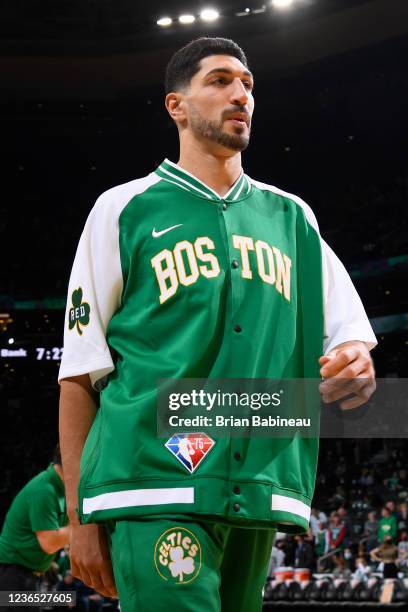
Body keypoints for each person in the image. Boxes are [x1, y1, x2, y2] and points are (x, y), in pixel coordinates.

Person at [58, 36, 377, 611]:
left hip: (255, 487)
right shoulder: (123, 209)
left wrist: (355, 360)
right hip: (152, 479)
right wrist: (81, 518)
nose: (241, 95)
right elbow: (80, 374)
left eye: (249, 85)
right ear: (175, 105)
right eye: (220, 81)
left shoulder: (293, 218)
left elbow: (350, 337)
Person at [0, 444, 69, 599]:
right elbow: (50, 542)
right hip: (13, 573)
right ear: (70, 459)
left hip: (27, 573)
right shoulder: (44, 489)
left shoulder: (62, 488)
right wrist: (81, 530)